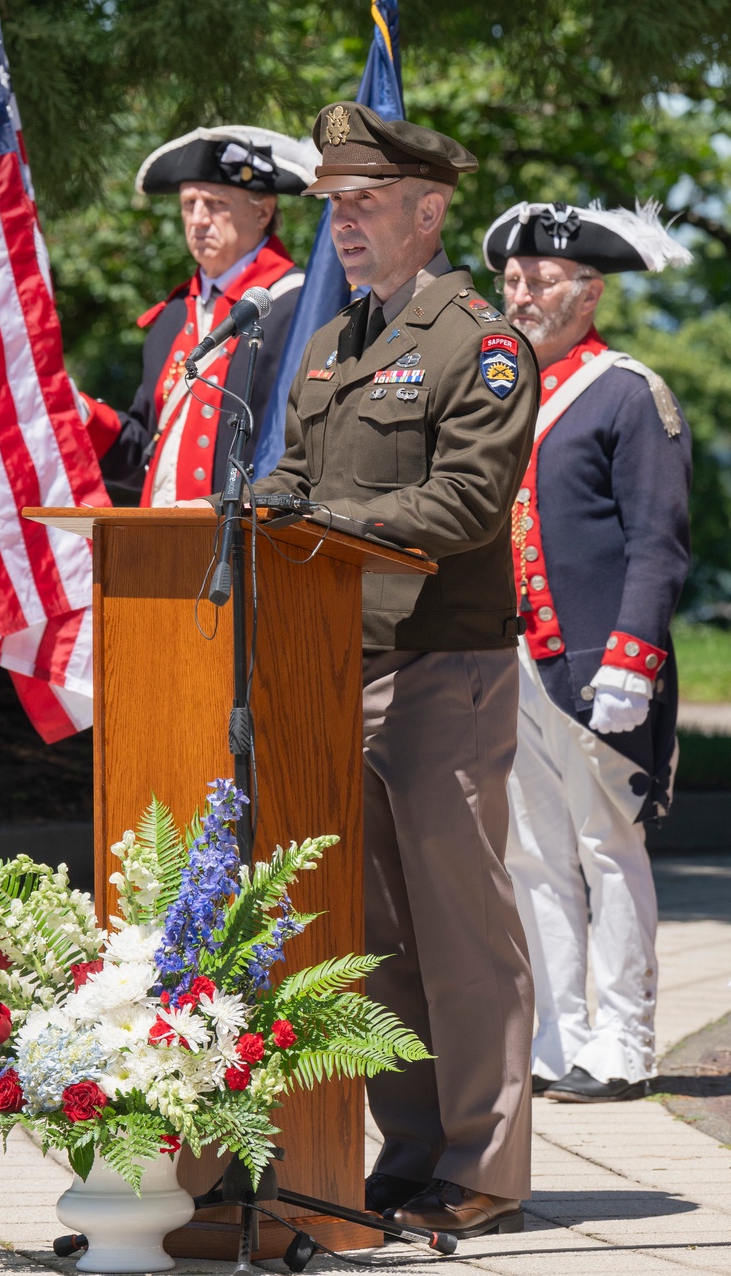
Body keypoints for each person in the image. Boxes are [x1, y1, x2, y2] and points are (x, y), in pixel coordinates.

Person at [187, 102, 541, 1237]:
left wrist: (321, 513)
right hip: (335, 662)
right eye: (333, 205)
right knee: (377, 931)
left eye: (367, 203)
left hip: (443, 666)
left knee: (461, 929)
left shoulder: (476, 342)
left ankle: (484, 1166)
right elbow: (292, 472)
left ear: (429, 210)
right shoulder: (338, 343)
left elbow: (465, 502)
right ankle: (413, 1149)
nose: (342, 223)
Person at [482, 198, 692, 1104]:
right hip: (512, 659)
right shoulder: (501, 393)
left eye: (541, 281)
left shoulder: (627, 391)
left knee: (610, 849)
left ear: (589, 291)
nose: (522, 295)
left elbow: (659, 541)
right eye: (513, 280)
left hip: (600, 669)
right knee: (532, 854)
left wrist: (632, 659)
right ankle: (559, 1038)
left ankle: (625, 1045)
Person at [79, 127, 316, 504]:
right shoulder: (173, 316)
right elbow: (146, 456)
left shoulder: (301, 306)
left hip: (251, 541)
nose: (198, 219)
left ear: (263, 211)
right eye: (189, 204)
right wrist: (81, 413)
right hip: (164, 540)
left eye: (216, 203)